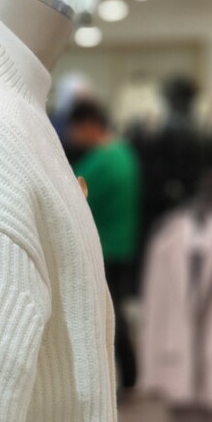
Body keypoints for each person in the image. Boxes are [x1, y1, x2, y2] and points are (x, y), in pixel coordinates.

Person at [68, 98, 140, 389]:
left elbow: (70, 196)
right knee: (116, 311)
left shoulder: (99, 162)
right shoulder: (124, 154)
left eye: (75, 129)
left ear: (89, 126)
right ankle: (130, 375)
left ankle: (121, 377)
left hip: (104, 247)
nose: (72, 136)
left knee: (107, 316)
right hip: (123, 244)